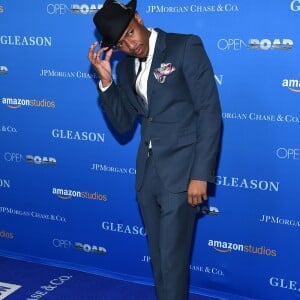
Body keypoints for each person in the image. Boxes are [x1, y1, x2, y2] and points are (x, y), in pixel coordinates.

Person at [88, 0, 222, 299]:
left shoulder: (185, 46)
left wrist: (200, 175)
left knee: (173, 262)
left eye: (131, 33)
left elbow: (209, 113)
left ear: (138, 18)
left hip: (183, 172)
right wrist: (106, 82)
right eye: (121, 43)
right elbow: (123, 124)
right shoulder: (124, 69)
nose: (130, 45)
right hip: (148, 175)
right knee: (160, 260)